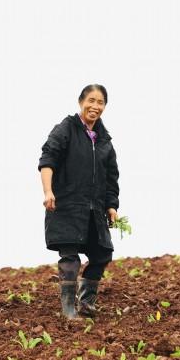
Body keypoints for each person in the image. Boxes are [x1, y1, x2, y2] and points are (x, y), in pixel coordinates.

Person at [38, 84, 120, 319]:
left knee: (102, 254)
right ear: (80, 101)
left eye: (100, 102)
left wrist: (111, 205)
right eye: (91, 100)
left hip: (94, 209)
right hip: (67, 205)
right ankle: (68, 308)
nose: (95, 106)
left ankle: (86, 302)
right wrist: (48, 191)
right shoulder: (66, 129)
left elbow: (111, 176)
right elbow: (47, 159)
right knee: (70, 256)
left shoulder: (104, 140)